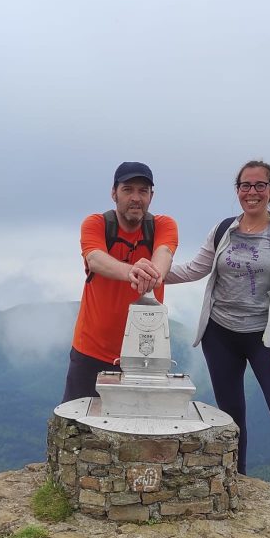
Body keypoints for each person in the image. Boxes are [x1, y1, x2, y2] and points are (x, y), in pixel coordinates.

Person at [165, 160, 270, 531]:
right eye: (245, 185)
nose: (252, 192)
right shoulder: (224, 229)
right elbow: (196, 268)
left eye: (260, 185)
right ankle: (237, 483)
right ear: (237, 190)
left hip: (265, 338)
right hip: (220, 333)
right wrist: (152, 271)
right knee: (232, 414)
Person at [61, 161, 179, 403]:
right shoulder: (96, 224)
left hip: (145, 355)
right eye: (128, 189)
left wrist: (151, 272)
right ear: (114, 193)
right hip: (91, 351)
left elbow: (164, 255)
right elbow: (94, 259)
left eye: (143, 191)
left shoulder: (163, 225)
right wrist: (133, 272)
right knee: (78, 429)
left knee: (143, 431)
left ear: (151, 196)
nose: (136, 198)